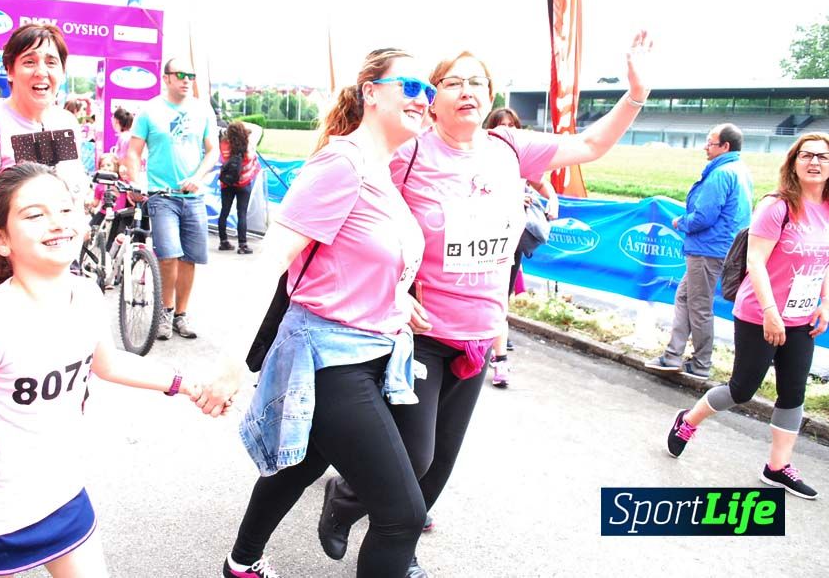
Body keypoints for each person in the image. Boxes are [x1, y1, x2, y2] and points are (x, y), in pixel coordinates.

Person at [318, 32, 653, 577]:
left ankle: (400, 547)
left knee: (439, 465)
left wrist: (636, 94)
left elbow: (591, 146)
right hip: (421, 334)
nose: (467, 91)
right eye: (453, 82)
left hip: (479, 335)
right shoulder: (410, 152)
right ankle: (347, 498)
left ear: (491, 94)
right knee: (415, 456)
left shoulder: (509, 150)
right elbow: (358, 224)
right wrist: (394, 289)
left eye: (477, 82)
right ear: (433, 98)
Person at [0, 162, 241, 576]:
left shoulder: (85, 295)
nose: (57, 222)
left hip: (60, 494)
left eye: (65, 209)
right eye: (35, 215)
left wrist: (186, 384)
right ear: (0, 239)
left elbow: (109, 363)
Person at [222, 48, 432, 578]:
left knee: (303, 465)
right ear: (371, 92)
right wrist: (229, 365)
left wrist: (394, 296)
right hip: (328, 358)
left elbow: (353, 257)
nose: (423, 99)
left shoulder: (381, 170)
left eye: (428, 90)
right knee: (402, 517)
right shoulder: (342, 164)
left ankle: (240, 564)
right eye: (411, 86)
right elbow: (273, 261)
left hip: (374, 351)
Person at [664, 133, 829, 500]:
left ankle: (777, 467)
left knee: (793, 392)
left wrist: (825, 303)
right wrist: (771, 312)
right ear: (794, 162)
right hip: (760, 312)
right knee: (742, 390)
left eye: (823, 156)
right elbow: (755, 261)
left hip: (801, 317)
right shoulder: (777, 206)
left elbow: (825, 261)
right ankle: (688, 420)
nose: (815, 162)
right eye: (807, 155)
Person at [0, 23, 87, 262]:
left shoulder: (65, 122)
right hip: (5, 263)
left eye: (51, 62)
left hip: (60, 259)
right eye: (29, 62)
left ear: (62, 72)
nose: (41, 71)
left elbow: (73, 193)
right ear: (10, 70)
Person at [645, 123, 753, 379]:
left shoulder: (721, 174)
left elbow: (704, 216)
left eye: (710, 142)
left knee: (699, 305)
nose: (705, 147)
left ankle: (701, 363)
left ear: (725, 146)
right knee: (685, 298)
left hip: (708, 249)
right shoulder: (739, 170)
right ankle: (673, 355)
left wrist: (681, 223)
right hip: (718, 247)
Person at [124, 58, 218, 341]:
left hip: (194, 196)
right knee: (168, 256)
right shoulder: (149, 111)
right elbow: (133, 151)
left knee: (190, 258)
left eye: (191, 75)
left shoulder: (203, 110)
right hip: (161, 195)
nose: (187, 80)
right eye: (181, 75)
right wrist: (135, 181)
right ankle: (165, 311)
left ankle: (181, 314)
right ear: (166, 78)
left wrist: (198, 177)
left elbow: (212, 151)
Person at [481, 107, 559, 387]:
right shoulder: (480, 154)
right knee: (488, 294)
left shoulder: (521, 157)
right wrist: (510, 198)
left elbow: (541, 183)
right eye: (501, 125)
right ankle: (491, 349)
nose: (507, 129)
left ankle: (498, 355)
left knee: (501, 295)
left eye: (511, 125)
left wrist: (553, 201)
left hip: (512, 238)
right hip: (483, 237)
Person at [217, 121, 261, 254]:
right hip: (244, 183)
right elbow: (256, 129)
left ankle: (223, 242)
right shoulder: (248, 145)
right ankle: (242, 245)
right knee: (241, 213)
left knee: (224, 212)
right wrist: (244, 131)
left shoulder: (224, 144)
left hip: (227, 183)